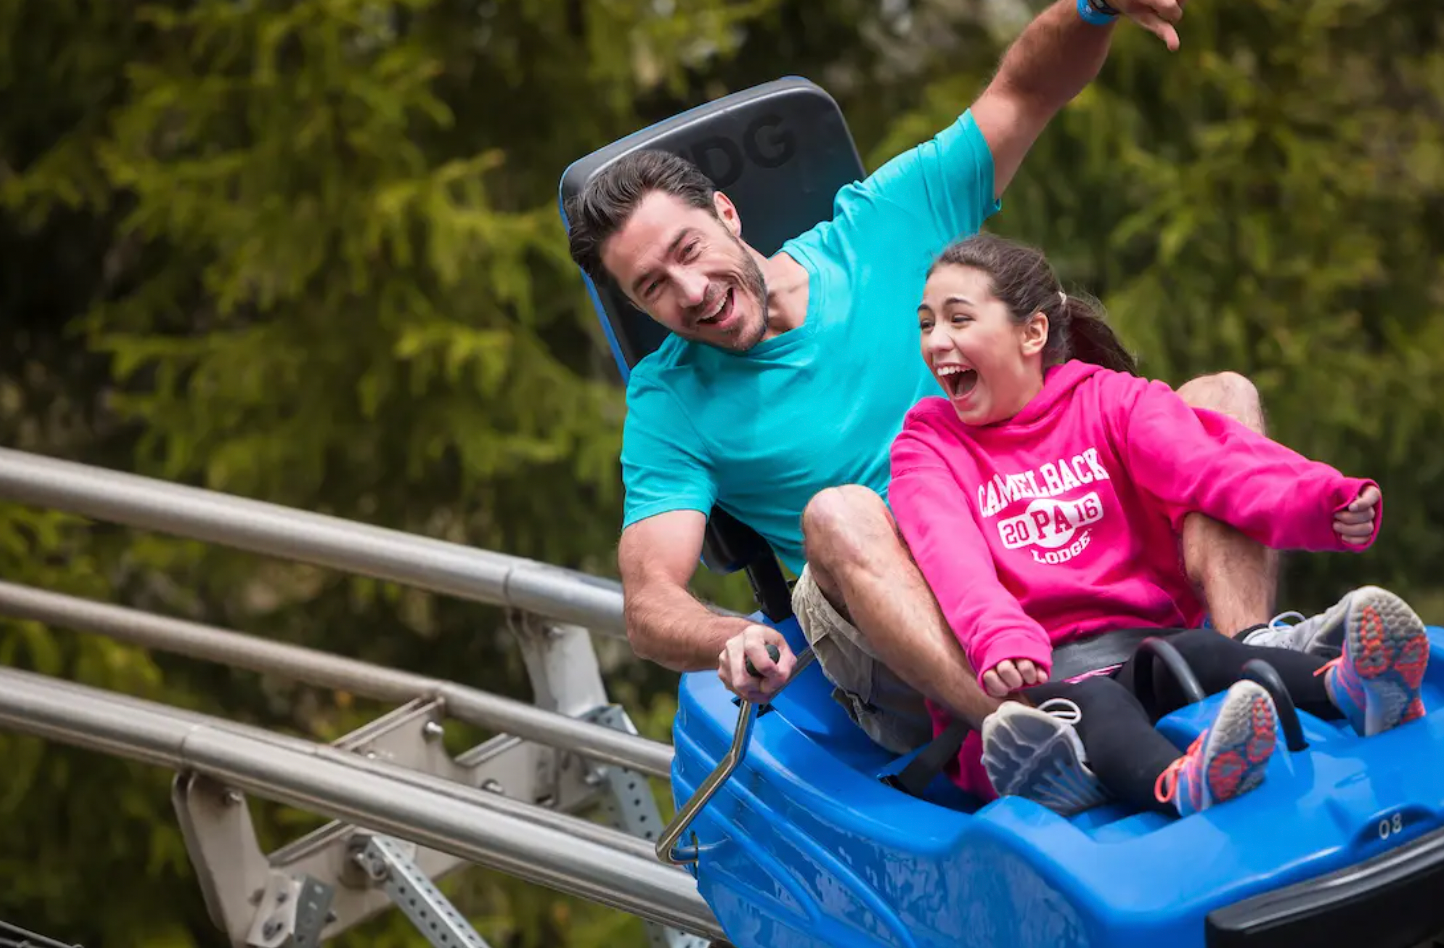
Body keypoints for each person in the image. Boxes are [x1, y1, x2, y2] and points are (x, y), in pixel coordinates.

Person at [565, 0, 1291, 759]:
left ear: (726, 213)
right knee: (837, 513)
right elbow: (650, 600)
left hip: (1048, 528)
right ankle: (1032, 732)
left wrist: (1093, 9)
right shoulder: (669, 399)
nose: (688, 291)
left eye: (688, 249)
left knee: (1222, 399)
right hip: (915, 629)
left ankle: (1254, 661)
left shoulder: (883, 224)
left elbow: (1022, 93)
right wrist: (730, 634)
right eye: (652, 287)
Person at [888, 232, 1429, 816]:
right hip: (1039, 683)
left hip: (1144, 650)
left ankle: (1347, 687)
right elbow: (950, 556)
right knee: (1096, 701)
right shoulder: (928, 444)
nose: (936, 342)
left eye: (958, 320)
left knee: (1202, 648)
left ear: (1032, 333)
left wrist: (1322, 500)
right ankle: (1175, 782)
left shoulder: (1106, 400)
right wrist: (1000, 637)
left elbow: (1210, 467)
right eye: (926, 324)